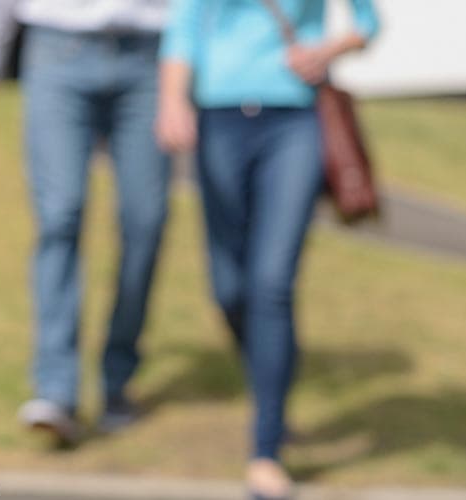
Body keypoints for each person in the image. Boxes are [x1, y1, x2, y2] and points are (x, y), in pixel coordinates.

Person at [155, 0, 379, 496]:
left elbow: (368, 22)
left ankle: (266, 449)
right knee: (229, 289)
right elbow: (185, 25)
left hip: (294, 120)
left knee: (272, 284)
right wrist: (172, 98)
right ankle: (270, 382)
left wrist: (327, 49)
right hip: (220, 118)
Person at [0, 0, 171, 444]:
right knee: (59, 215)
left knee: (145, 222)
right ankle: (56, 389)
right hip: (58, 49)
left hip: (151, 55)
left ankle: (118, 379)